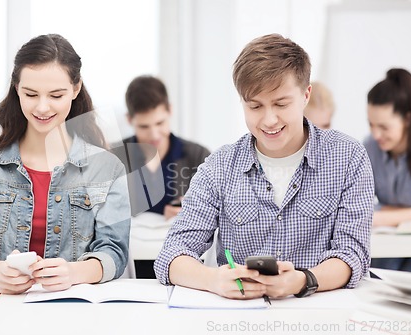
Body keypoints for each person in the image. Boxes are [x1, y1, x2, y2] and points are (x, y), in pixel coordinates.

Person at [154, 34, 374, 300]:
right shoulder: (220, 166)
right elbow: (172, 255)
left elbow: (353, 254)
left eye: (281, 104)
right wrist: (213, 279)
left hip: (321, 312)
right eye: (255, 106)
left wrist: (303, 281)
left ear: (305, 95)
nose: (269, 120)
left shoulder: (348, 156)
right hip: (240, 316)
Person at [0, 34, 131, 294]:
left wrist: (72, 273)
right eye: (31, 94)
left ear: (76, 88)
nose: (43, 107)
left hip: (74, 311)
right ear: (17, 88)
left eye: (56, 95)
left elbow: (113, 252)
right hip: (2, 311)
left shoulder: (108, 169)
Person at [121, 75, 210, 219]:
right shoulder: (113, 159)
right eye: (144, 127)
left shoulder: (199, 157)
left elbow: (218, 210)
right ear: (129, 120)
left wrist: (191, 210)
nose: (154, 135)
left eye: (160, 123)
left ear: (170, 110)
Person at [365, 68, 411, 272]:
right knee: (380, 271)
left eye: (384, 127)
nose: (376, 134)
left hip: (410, 245)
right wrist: (410, 212)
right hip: (385, 242)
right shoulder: (369, 147)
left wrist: (384, 215)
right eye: (371, 124)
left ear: (407, 119)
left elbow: (372, 216)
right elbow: (359, 205)